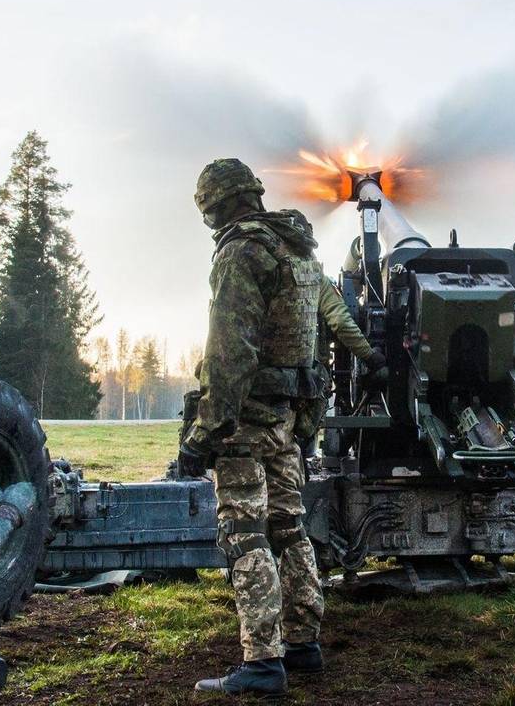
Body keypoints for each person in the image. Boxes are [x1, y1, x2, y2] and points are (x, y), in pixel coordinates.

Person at [178, 159, 326, 696]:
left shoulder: (241, 252)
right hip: (287, 415)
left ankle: (263, 659)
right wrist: (306, 420)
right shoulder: (299, 251)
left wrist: (205, 431)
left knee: (245, 533)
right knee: (290, 524)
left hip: (244, 418)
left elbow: (229, 351)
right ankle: (304, 641)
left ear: (215, 205)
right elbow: (316, 347)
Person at [283, 209, 387, 448]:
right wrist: (370, 355)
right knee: (293, 444)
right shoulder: (312, 276)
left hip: (262, 381)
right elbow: (340, 322)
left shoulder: (261, 267)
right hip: (302, 379)